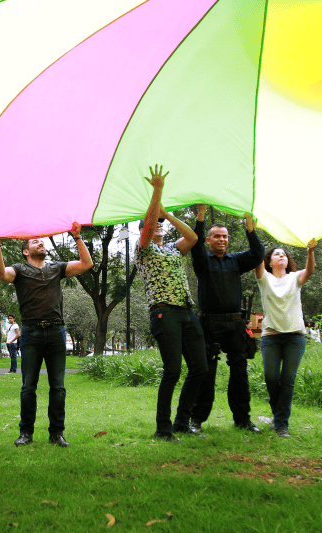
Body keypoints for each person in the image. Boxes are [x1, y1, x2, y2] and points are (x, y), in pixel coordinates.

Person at [0, 222, 93, 447]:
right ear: (26, 251)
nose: (40, 243)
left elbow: (87, 263)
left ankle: (57, 433)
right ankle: (26, 432)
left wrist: (77, 237)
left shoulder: (56, 267)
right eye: (35, 241)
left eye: (41, 241)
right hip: (31, 334)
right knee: (28, 387)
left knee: (58, 387)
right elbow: (0, 274)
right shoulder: (20, 269)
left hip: (56, 332)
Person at [135, 165, 205, 442]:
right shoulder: (144, 251)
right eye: (154, 224)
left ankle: (181, 423)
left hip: (187, 312)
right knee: (173, 370)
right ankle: (162, 429)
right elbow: (149, 224)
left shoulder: (173, 249)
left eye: (160, 224)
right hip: (164, 312)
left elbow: (193, 238)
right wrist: (157, 192)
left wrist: (168, 215)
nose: (158, 226)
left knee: (199, 369)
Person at [190, 204, 265, 434]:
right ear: (208, 240)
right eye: (217, 236)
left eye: (225, 237)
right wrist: (201, 216)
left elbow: (258, 254)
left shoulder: (236, 261)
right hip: (210, 324)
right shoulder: (202, 261)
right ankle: (196, 421)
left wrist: (250, 230)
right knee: (207, 373)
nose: (222, 240)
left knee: (240, 372)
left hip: (235, 325)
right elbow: (194, 242)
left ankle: (243, 420)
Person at [254, 242, 317, 437]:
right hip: (271, 336)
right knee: (271, 377)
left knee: (288, 380)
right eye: (276, 255)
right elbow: (257, 260)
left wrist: (310, 252)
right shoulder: (264, 279)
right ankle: (277, 416)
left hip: (295, 336)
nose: (281, 256)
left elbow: (310, 271)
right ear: (269, 262)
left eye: (284, 255)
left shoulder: (294, 278)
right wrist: (252, 234)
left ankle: (282, 424)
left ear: (288, 261)